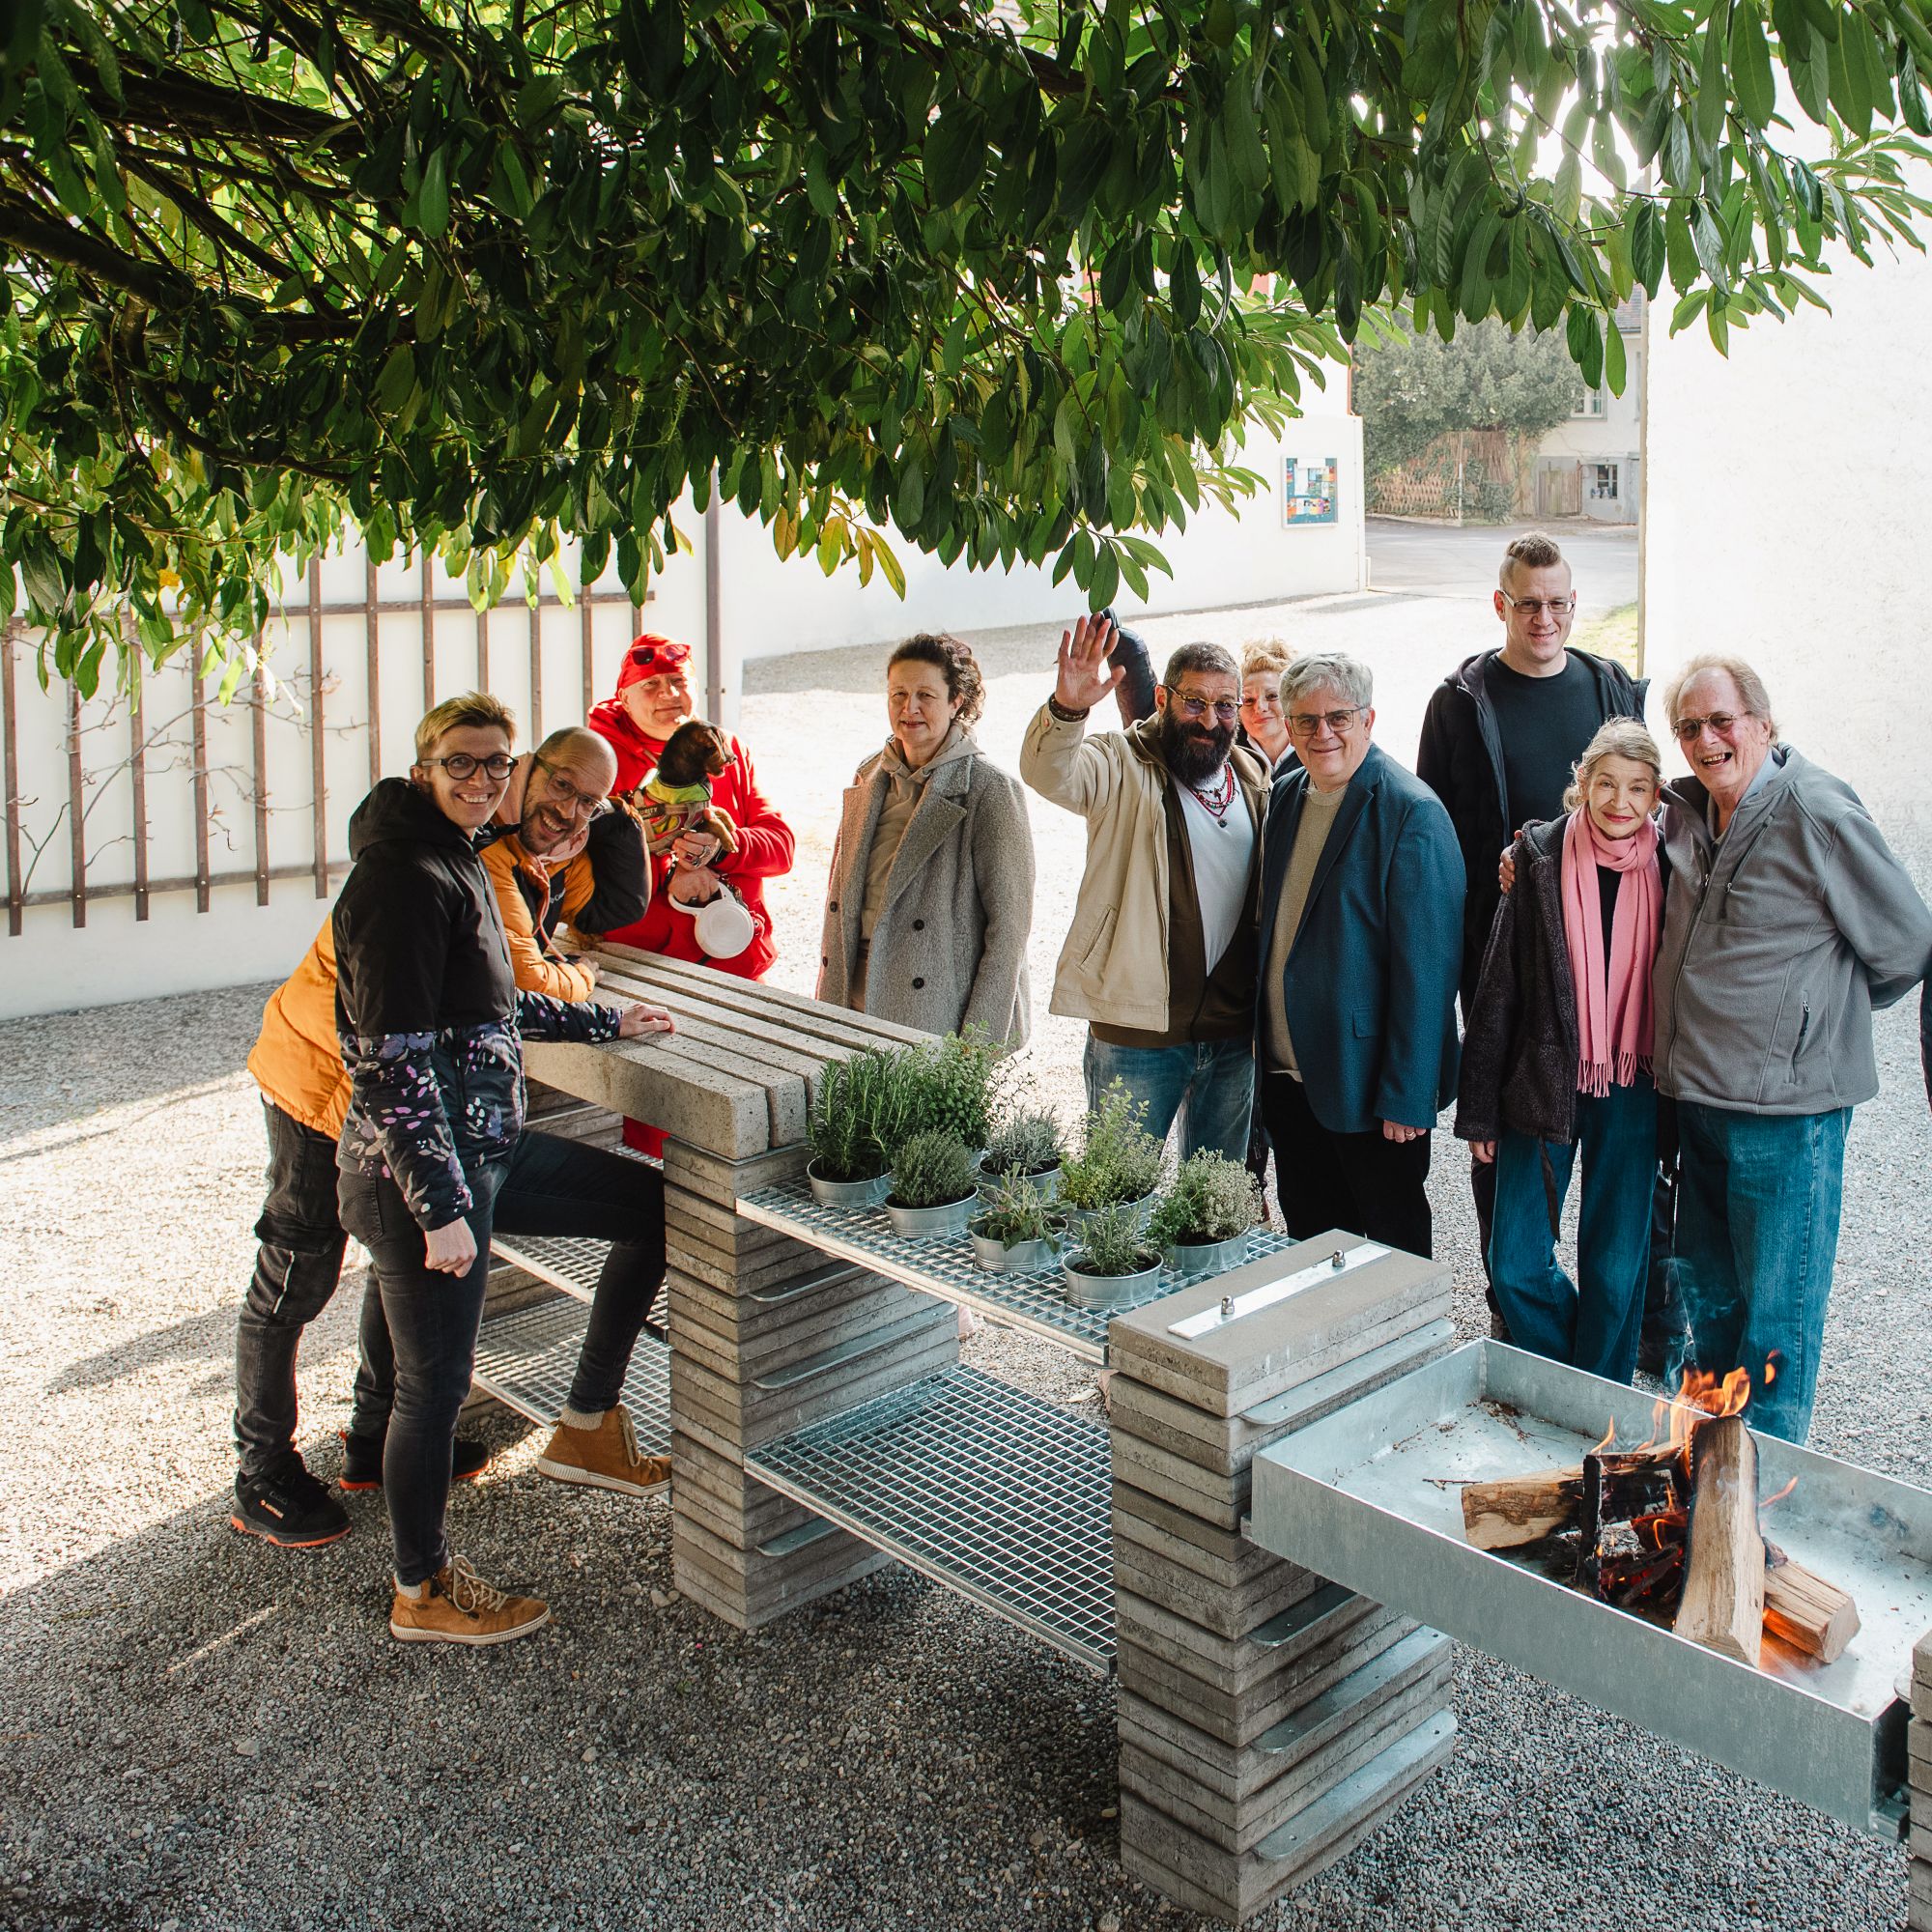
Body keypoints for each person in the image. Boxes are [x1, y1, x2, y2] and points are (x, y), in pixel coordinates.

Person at [232, 721, 654, 1548]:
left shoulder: (480, 841)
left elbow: (517, 975)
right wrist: (587, 984)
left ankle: (372, 1436)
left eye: (588, 802)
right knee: (297, 1275)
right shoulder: (433, 858)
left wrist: (600, 835)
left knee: (396, 1272)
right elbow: (440, 1022)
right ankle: (262, 1471)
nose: (566, 810)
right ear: (518, 770)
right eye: (556, 784)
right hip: (323, 1082)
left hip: (386, 1094)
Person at [327, 693, 675, 1644]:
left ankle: (586, 1425)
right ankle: (421, 1589)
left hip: (482, 1148)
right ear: (420, 768)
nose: (480, 780)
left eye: (493, 763)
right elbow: (386, 1056)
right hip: (419, 1176)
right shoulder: (400, 877)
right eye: (460, 763)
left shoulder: (464, 857)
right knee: (433, 1386)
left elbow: (492, 1007)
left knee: (651, 1207)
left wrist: (608, 1019)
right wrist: (441, 1207)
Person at [1654, 655, 1932, 1442]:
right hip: (1700, 1107)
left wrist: (1818, 1016)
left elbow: (1908, 942)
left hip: (1785, 1121)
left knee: (1776, 1326)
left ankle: (1766, 1510)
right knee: (1708, 1309)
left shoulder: (1814, 809)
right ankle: (1706, 1490)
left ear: (1764, 725)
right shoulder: (1688, 815)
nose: (1706, 741)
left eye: (1721, 721)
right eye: (1689, 728)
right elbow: (1595, 818)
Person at [1415, 531, 1653, 1328]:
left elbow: (1650, 817)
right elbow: (1436, 839)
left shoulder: (1611, 688)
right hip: (1506, 967)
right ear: (1501, 605)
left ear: (1573, 604)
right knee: (1510, 1174)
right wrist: (1505, 869)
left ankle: (1599, 1356)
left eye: (1557, 603)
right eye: (1528, 604)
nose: (1543, 617)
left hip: (1618, 986)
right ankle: (1518, 1326)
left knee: (1618, 1206)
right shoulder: (1460, 702)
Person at [1456, 722, 1666, 1381]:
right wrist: (1481, 1112)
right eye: (1606, 782)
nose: (1620, 801)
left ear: (1657, 795)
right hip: (1544, 1075)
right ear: (1582, 784)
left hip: (1637, 1080)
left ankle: (1597, 1401)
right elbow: (1497, 992)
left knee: (1615, 1265)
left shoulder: (1678, 860)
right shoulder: (1539, 856)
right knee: (1516, 1262)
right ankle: (1579, 1371)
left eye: (1637, 788)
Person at [1020, 618, 1267, 1162]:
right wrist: (1067, 708)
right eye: (1194, 702)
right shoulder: (1118, 762)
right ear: (1161, 697)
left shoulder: (1254, 775)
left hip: (1232, 1037)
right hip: (1137, 1035)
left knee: (1212, 1208)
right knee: (1115, 1200)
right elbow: (1048, 772)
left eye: (1225, 706)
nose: (1210, 720)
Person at [1258, 652, 1463, 1257]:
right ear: (1287, 727)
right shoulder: (1289, 793)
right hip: (1289, 1075)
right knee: (1313, 1243)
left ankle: (1410, 1353)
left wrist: (1408, 1093)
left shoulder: (1411, 811)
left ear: (1368, 719)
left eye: (1338, 717)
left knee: (1391, 1245)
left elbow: (1429, 973)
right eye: (1305, 721)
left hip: (1369, 1085)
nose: (1322, 734)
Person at [818, 633, 1034, 1043]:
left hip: (936, 1010)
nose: (908, 707)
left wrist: (976, 1047)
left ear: (957, 702)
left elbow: (1010, 930)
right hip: (851, 995)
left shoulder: (989, 789)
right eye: (897, 693)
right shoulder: (868, 776)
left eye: (925, 695)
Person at [587, 634, 795, 982]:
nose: (668, 694)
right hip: (638, 967)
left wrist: (719, 849)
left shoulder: (726, 750)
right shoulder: (596, 760)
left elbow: (781, 848)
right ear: (623, 698)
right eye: (650, 684)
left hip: (736, 957)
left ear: (695, 687)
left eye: (678, 681)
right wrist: (670, 871)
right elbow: (581, 871)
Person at [1236, 639, 1295, 770]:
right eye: (1249, 700)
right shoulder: (1228, 754)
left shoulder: (1314, 746)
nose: (1260, 708)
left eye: (1272, 696)